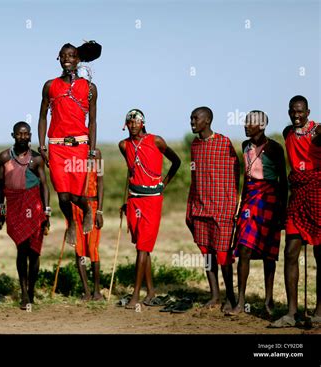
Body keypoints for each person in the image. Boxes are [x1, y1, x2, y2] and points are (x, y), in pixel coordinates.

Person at [38, 41, 101, 245]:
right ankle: (71, 223)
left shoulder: (90, 88)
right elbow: (42, 117)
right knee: (62, 196)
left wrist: (91, 150)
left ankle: (87, 210)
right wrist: (42, 146)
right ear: (59, 58)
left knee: (75, 194)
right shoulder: (50, 85)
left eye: (72, 55)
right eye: (64, 55)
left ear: (78, 59)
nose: (68, 59)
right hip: (56, 146)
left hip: (80, 146)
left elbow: (92, 121)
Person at [119, 109, 181, 309]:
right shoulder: (124, 145)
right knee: (141, 246)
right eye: (130, 122)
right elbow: (131, 171)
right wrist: (125, 201)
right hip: (134, 199)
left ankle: (136, 295)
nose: (133, 125)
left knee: (143, 248)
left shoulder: (157, 141)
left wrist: (164, 183)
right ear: (126, 125)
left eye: (136, 122)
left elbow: (176, 161)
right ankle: (151, 291)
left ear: (143, 123)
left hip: (152, 199)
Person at [230, 111, 287, 316]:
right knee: (243, 248)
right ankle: (241, 300)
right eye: (245, 122)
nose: (245, 126)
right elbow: (247, 179)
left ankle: (269, 301)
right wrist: (240, 206)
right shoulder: (245, 146)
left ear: (261, 126)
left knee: (268, 253)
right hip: (250, 200)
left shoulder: (275, 148)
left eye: (250, 123)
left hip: (270, 200)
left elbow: (283, 182)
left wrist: (282, 212)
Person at [271, 95, 321, 327]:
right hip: (297, 195)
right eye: (293, 111)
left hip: (318, 194)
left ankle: (319, 312)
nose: (296, 115)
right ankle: (291, 313)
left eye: (300, 111)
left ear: (308, 112)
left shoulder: (318, 132)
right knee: (291, 252)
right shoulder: (287, 132)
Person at [186, 106, 239, 312]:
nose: (191, 122)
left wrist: (231, 205)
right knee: (207, 254)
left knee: (224, 255)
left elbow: (235, 174)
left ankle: (231, 297)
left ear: (207, 120)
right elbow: (193, 179)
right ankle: (215, 295)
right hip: (200, 208)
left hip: (222, 209)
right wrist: (190, 206)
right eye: (191, 118)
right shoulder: (195, 145)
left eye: (195, 118)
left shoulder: (224, 143)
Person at [0, 122, 50, 309]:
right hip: (14, 206)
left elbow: (44, 185)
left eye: (26, 134)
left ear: (30, 136)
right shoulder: (4, 157)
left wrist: (47, 211)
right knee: (21, 249)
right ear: (13, 135)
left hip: (34, 207)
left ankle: (32, 290)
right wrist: (0, 211)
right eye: (19, 134)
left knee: (34, 252)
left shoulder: (36, 159)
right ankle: (24, 293)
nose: (23, 137)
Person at [72, 148, 104, 301]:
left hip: (92, 205)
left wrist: (99, 211)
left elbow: (101, 182)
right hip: (75, 207)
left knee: (93, 249)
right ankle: (86, 291)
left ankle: (97, 291)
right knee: (79, 249)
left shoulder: (95, 154)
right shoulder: (70, 153)